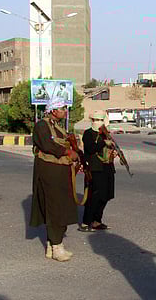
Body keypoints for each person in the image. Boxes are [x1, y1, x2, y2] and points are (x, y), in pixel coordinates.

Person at [30, 99, 80, 262]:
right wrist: (67, 152)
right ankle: (57, 247)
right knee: (54, 207)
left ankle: (53, 245)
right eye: (62, 108)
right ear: (52, 110)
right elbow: (47, 145)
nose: (65, 111)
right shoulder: (42, 126)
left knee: (60, 206)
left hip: (60, 171)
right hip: (49, 170)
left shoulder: (57, 125)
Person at [79, 110, 116, 232]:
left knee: (106, 195)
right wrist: (103, 142)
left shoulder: (106, 133)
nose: (98, 122)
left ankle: (97, 221)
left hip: (107, 167)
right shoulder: (88, 134)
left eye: (100, 120)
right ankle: (86, 222)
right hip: (95, 169)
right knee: (94, 196)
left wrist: (113, 152)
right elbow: (90, 149)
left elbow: (111, 147)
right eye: (95, 120)